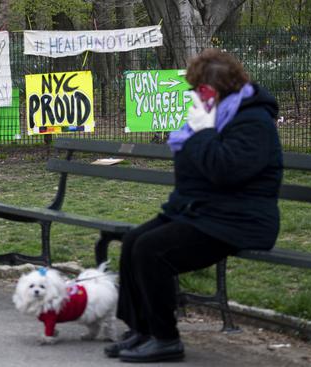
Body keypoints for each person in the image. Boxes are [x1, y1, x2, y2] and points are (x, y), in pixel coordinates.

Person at [104, 48, 283, 363]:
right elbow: (192, 172)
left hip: (240, 220)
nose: (195, 96)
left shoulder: (253, 121)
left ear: (218, 88)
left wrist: (203, 133)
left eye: (199, 89)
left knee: (152, 250)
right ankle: (142, 329)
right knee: (133, 241)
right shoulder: (216, 114)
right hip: (204, 211)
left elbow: (224, 170)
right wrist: (173, 212)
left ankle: (166, 338)